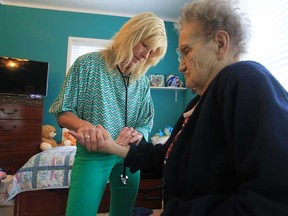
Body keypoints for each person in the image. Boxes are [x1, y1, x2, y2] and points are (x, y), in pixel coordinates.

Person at [85, 0, 288, 215]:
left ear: (220, 44)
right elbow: (165, 157)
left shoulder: (246, 79)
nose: (181, 65)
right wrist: (111, 146)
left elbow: (275, 201)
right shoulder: (197, 104)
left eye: (186, 51)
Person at [49, 12, 167, 216]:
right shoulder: (87, 64)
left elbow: (145, 122)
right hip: (93, 154)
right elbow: (62, 111)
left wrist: (139, 133)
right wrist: (82, 125)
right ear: (131, 35)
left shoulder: (143, 81)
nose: (146, 56)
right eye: (145, 46)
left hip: (128, 156)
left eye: (152, 52)